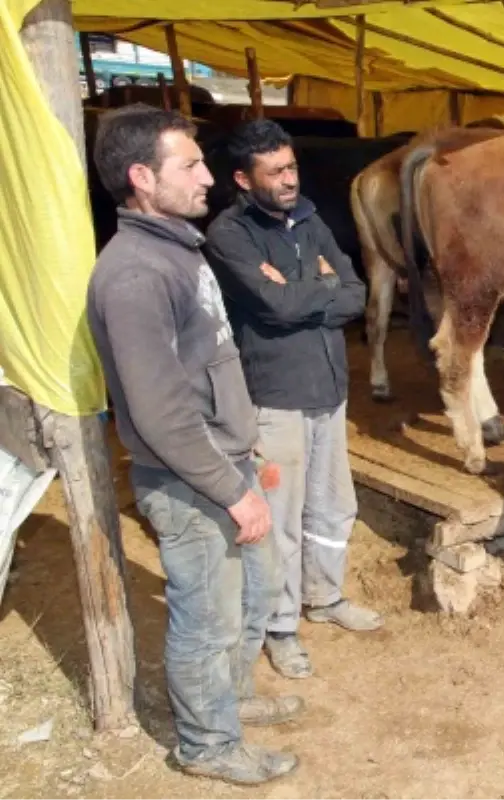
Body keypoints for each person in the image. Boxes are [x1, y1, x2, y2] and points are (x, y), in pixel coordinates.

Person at [85, 104, 303, 786]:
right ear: (142, 177)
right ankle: (207, 745)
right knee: (205, 618)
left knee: (247, 600)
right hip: (188, 481)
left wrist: (245, 455)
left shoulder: (175, 246)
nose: (210, 177)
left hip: (222, 464)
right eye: (192, 165)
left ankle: (229, 701)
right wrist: (232, 489)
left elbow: (206, 367)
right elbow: (161, 411)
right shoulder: (135, 275)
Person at [203, 119, 379, 682]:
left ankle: (324, 596)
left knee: (331, 505)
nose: (288, 179)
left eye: (292, 167)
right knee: (278, 518)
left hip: (330, 390)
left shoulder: (309, 218)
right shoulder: (229, 234)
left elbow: (357, 291)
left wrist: (306, 290)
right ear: (242, 177)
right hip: (276, 396)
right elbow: (272, 308)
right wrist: (318, 289)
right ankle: (280, 627)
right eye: (274, 171)